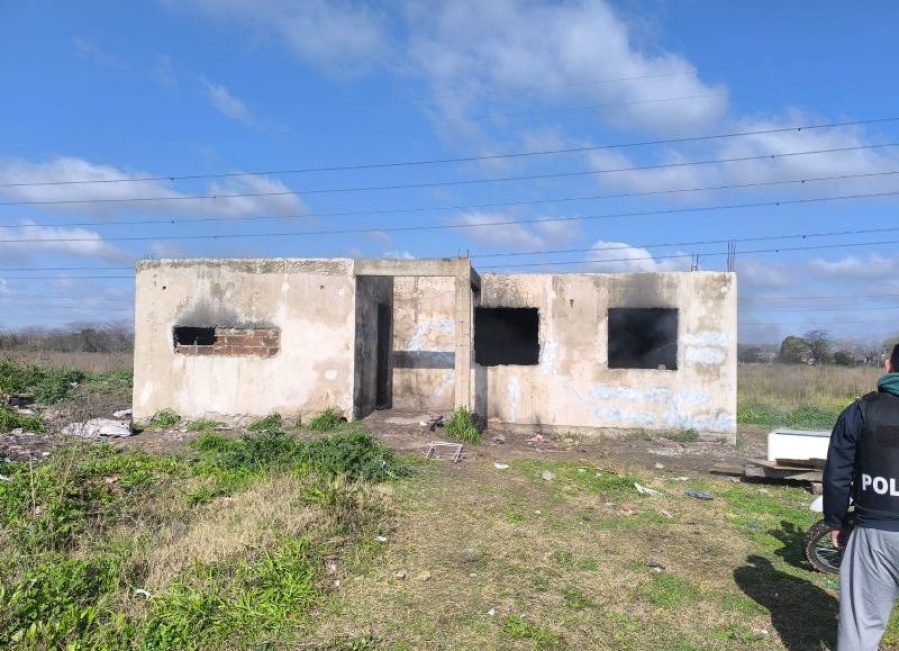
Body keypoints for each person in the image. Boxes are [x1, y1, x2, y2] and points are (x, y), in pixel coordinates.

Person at [824, 343, 899, 650]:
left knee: (861, 626)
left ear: (887, 366)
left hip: (874, 535)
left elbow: (838, 472)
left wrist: (836, 520)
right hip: (875, 528)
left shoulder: (861, 411)